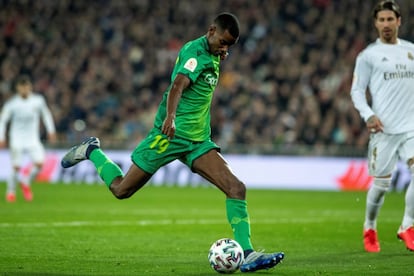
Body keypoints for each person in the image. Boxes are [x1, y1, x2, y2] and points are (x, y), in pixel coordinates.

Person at [61, 13, 284, 272]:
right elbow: (178, 85)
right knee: (122, 190)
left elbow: (209, 63)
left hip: (198, 141)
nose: (225, 49)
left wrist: (219, 53)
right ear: (211, 30)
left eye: (229, 46)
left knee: (236, 188)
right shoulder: (195, 52)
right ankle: (92, 150)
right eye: (223, 42)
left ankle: (246, 254)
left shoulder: (213, 53)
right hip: (169, 136)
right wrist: (170, 117)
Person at [350, 0, 414, 252]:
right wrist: (368, 114)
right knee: (380, 186)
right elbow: (356, 90)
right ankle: (370, 226)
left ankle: (407, 225)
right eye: (381, 20)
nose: (386, 24)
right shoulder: (368, 56)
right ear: (376, 23)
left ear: (399, 21)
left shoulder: (411, 51)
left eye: (390, 19)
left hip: (411, 128)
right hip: (383, 130)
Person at [0, 75, 56, 202]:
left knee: (40, 163)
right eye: (22, 87)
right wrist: (1, 137)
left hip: (32, 139)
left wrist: (51, 131)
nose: (24, 89)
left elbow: (46, 115)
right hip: (17, 138)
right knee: (16, 167)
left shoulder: (38, 100)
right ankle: (11, 192)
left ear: (30, 87)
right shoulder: (12, 104)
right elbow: (2, 121)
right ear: (17, 88)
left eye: (26, 86)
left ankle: (25, 181)